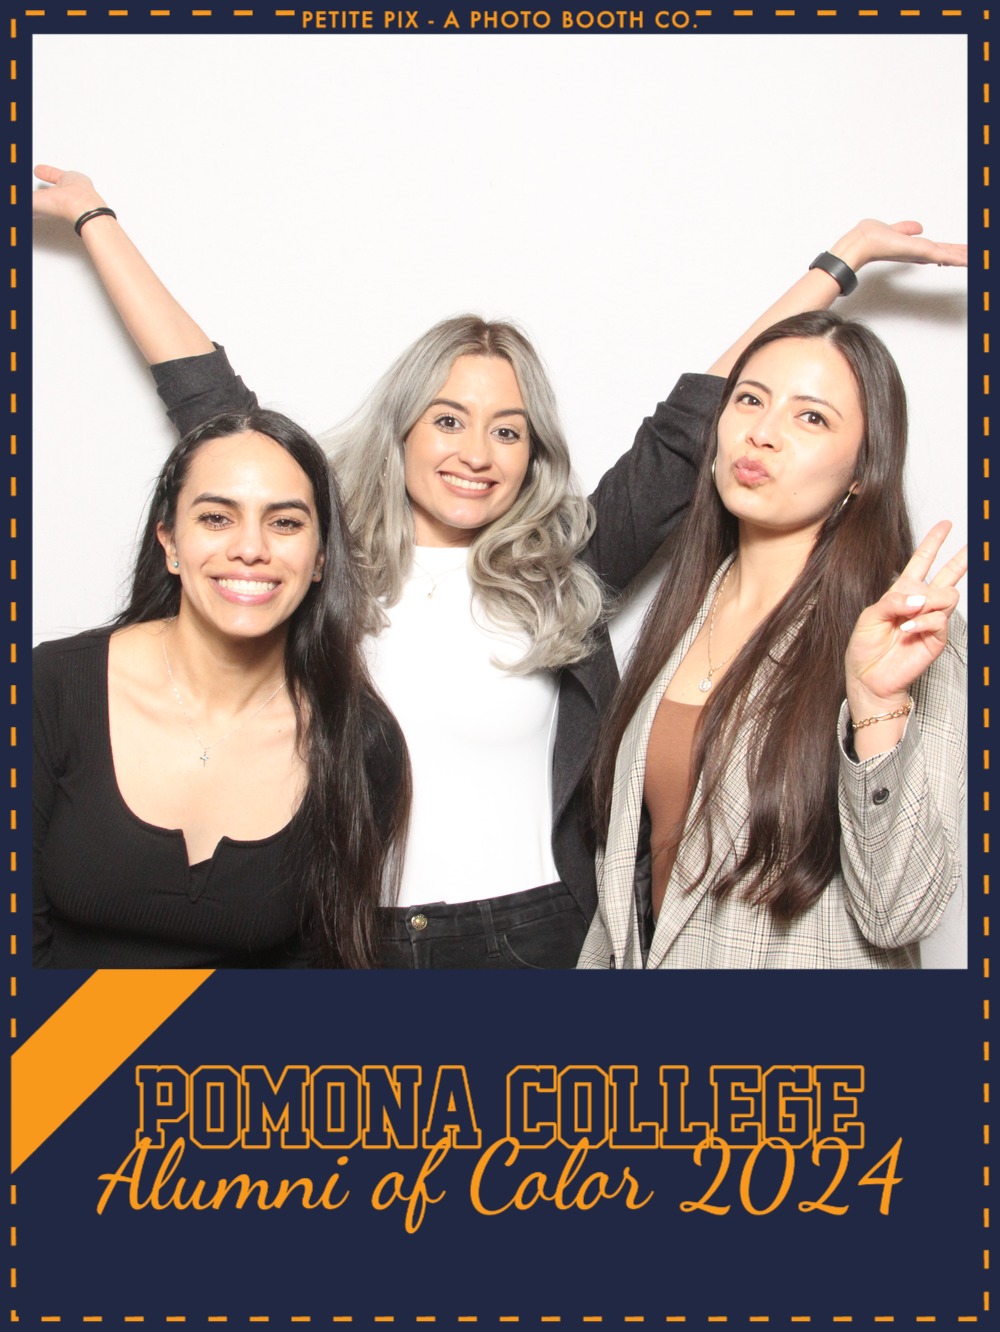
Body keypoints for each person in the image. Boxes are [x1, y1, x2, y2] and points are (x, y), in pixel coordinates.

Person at [32, 165, 968, 967]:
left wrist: (837, 264)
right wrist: (92, 216)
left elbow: (697, 427)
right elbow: (209, 403)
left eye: (508, 430)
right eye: (448, 419)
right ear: (403, 428)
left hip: (537, 938)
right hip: (355, 939)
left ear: (533, 453)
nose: (476, 453)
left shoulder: (563, 570)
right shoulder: (319, 562)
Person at [581, 311, 967, 969]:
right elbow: (628, 893)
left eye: (811, 417)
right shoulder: (687, 607)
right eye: (750, 400)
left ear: (861, 470)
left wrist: (876, 707)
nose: (762, 432)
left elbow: (899, 912)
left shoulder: (907, 634)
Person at [33, 410, 409, 968]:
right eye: (216, 518)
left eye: (285, 523)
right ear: (170, 541)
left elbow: (321, 967)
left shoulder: (360, 740)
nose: (250, 548)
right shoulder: (49, 688)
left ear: (320, 559)